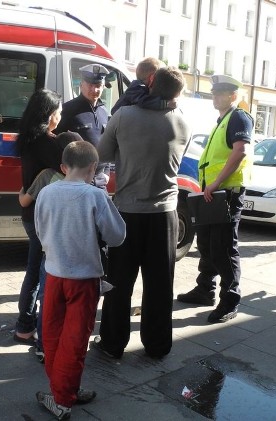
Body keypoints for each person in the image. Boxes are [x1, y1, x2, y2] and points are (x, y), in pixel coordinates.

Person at [92, 66, 189, 360]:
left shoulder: (123, 116)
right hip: (165, 214)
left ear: (149, 84)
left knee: (119, 282)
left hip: (127, 212)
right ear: (176, 94)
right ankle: (158, 345)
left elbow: (102, 155)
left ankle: (112, 343)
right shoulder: (183, 123)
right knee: (160, 284)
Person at [34, 140, 126, 419]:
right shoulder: (95, 196)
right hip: (84, 280)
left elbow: (39, 232)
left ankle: (64, 389)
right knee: (75, 339)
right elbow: (117, 235)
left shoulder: (47, 192)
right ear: (94, 167)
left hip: (53, 275)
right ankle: (63, 399)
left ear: (63, 167)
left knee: (51, 336)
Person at [176, 74, 254, 324]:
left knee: (224, 249)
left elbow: (240, 151)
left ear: (233, 96)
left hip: (226, 193)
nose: (215, 97)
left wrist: (217, 183)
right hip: (214, 192)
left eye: (220, 93)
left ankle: (230, 300)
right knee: (207, 244)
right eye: (214, 93)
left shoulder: (239, 117)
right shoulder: (223, 119)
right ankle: (205, 289)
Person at [17, 131, 83, 363]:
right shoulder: (84, 182)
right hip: (73, 249)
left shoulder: (46, 176)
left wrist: (22, 190)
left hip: (47, 242)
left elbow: (25, 201)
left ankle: (42, 341)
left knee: (45, 289)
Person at [13, 89, 64, 344]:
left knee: (33, 269)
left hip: (28, 214)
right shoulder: (51, 144)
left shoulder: (26, 140)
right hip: (44, 216)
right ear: (50, 115)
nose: (61, 116)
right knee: (41, 272)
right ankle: (30, 326)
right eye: (59, 112)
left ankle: (24, 325)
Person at [110, 57, 176, 115]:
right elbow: (145, 101)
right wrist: (166, 104)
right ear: (151, 77)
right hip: (119, 119)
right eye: (159, 77)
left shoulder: (139, 87)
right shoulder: (137, 87)